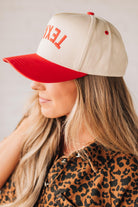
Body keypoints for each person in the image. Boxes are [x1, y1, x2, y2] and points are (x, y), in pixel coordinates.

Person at [0, 11, 138, 207]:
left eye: (49, 73)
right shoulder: (36, 130)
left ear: (91, 87)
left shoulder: (125, 176)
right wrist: (27, 126)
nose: (34, 84)